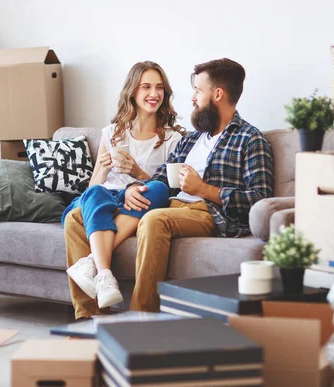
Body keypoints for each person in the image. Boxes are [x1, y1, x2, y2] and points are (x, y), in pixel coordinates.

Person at [120, 58, 274, 312]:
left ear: (217, 94)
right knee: (83, 216)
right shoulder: (191, 140)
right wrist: (132, 189)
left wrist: (204, 190)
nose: (192, 98)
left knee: (154, 220)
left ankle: (141, 316)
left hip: (208, 213)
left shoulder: (250, 139)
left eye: (197, 91)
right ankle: (89, 314)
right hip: (172, 206)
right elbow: (160, 178)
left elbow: (260, 200)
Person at [63, 61, 184, 318]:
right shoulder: (112, 133)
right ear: (132, 92)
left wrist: (137, 175)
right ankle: (93, 304)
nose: (154, 94)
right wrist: (102, 172)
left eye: (159, 88)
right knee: (89, 200)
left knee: (158, 190)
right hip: (107, 199)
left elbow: (171, 189)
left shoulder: (172, 138)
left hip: (141, 199)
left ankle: (94, 263)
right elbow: (93, 189)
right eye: (146, 87)